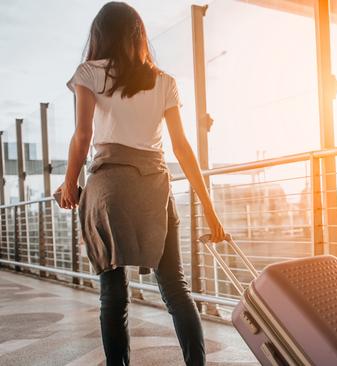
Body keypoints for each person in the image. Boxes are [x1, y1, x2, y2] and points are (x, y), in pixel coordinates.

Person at [57, 2, 226, 365]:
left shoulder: (88, 72)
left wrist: (70, 183)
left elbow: (83, 134)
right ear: (140, 36)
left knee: (113, 296)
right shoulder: (164, 82)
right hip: (154, 188)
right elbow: (181, 148)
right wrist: (210, 212)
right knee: (177, 291)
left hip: (109, 189)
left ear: (99, 35)